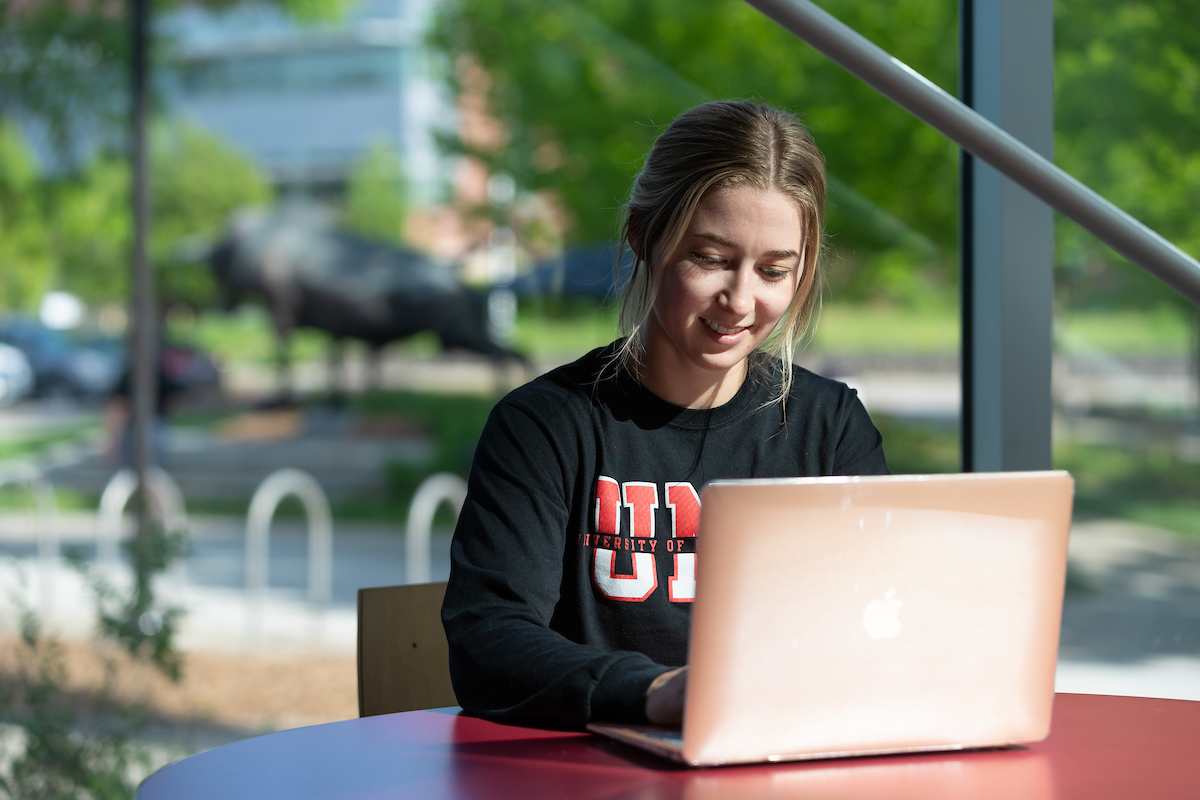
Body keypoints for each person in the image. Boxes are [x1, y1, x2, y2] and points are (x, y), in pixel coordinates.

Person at [441, 100, 889, 731]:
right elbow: (489, 640)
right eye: (710, 258)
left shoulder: (830, 428)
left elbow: (875, 624)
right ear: (643, 237)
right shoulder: (546, 426)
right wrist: (654, 692)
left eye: (773, 271)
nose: (740, 300)